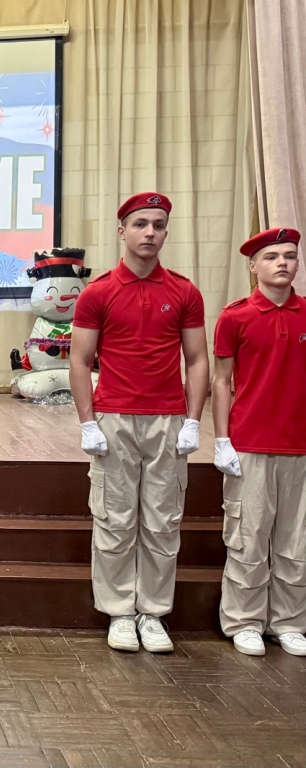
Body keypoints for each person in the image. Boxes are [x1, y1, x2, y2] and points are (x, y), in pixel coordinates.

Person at [70, 192, 209, 653]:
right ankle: (119, 613)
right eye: (141, 224)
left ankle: (152, 613)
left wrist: (194, 420)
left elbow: (197, 359)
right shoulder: (98, 292)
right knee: (114, 518)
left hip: (167, 420)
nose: (150, 232)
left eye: (159, 225)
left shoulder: (184, 292)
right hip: (114, 419)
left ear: (166, 232)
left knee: (163, 522)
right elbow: (80, 361)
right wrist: (88, 422)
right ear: (122, 231)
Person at [211, 227, 306, 657]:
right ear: (253, 266)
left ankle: (288, 621)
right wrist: (222, 440)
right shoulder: (235, 317)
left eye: (290, 255)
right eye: (271, 256)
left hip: (299, 445)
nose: (282, 262)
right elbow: (221, 381)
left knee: (295, 541)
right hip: (250, 443)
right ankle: (244, 620)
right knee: (248, 537)